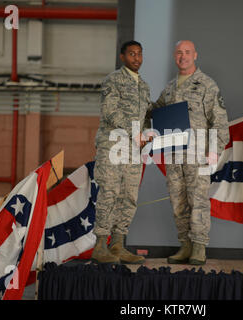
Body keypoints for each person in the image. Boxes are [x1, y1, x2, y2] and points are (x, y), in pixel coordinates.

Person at [153, 40, 229, 265]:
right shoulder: (169, 88)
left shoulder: (207, 85)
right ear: (174, 56)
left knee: (198, 201)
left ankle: (198, 247)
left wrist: (215, 151)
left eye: (187, 52)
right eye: (178, 53)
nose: (182, 56)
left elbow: (220, 121)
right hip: (173, 154)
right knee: (178, 201)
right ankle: (185, 245)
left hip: (199, 154)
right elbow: (155, 112)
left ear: (195, 55)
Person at [91, 40, 152, 264]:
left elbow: (145, 117)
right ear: (122, 57)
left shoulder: (144, 86)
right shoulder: (113, 80)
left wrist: (147, 133)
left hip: (134, 150)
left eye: (139, 54)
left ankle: (118, 245)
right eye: (132, 54)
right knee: (109, 193)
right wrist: (134, 132)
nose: (137, 58)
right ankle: (100, 245)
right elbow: (110, 111)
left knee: (129, 196)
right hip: (112, 146)